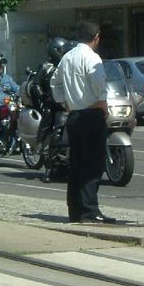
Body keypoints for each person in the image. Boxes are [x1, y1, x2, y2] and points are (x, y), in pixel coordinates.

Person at [50, 20, 115, 224]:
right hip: (91, 113)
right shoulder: (91, 57)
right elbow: (98, 82)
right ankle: (89, 211)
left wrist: (65, 103)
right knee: (93, 165)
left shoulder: (67, 57)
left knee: (77, 164)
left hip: (75, 115)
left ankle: (75, 210)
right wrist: (103, 102)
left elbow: (55, 82)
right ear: (96, 37)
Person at [32, 37, 68, 182]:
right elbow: (36, 85)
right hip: (53, 105)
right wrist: (44, 97)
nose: (64, 53)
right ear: (55, 51)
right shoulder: (46, 66)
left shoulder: (68, 65)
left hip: (69, 103)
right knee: (56, 130)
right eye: (61, 51)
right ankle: (48, 165)